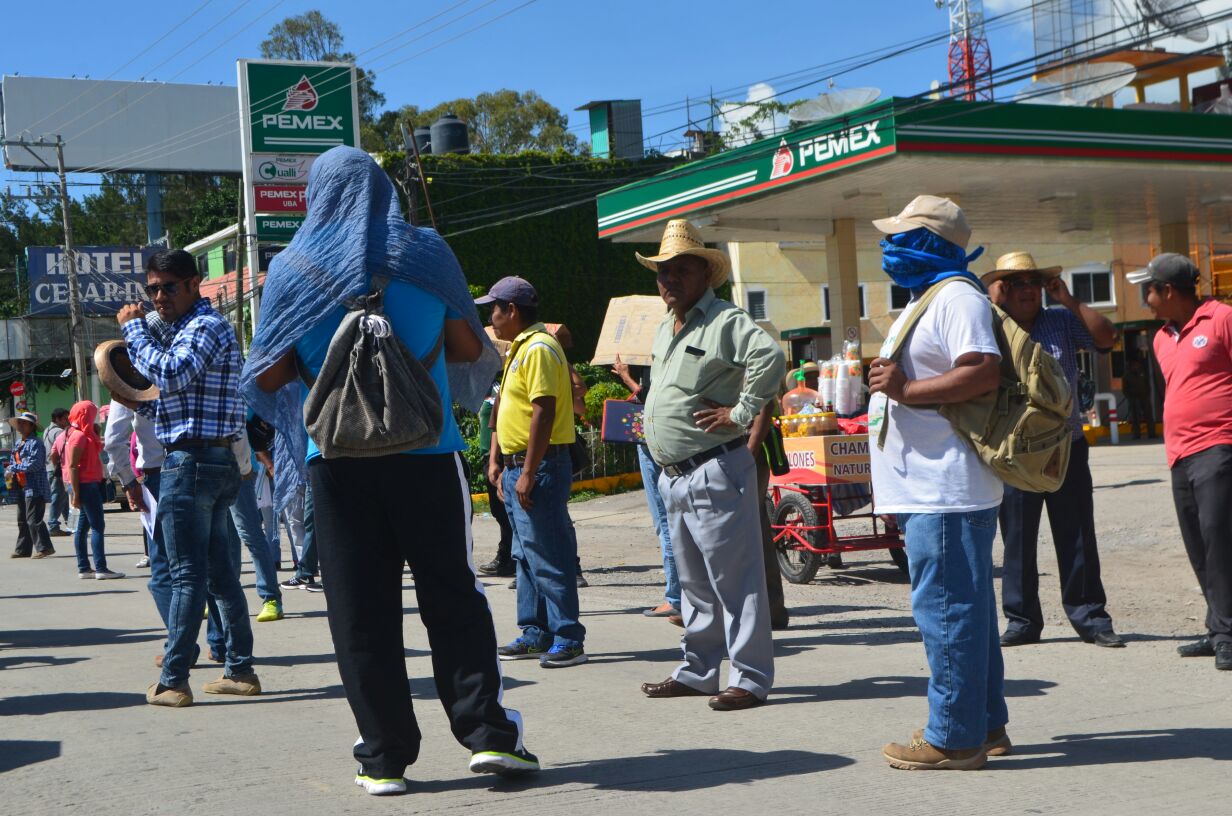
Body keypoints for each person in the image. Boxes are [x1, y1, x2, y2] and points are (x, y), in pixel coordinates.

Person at [243, 146, 536, 795]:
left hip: (338, 462)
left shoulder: (290, 268)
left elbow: (265, 374)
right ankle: (488, 738)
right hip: (427, 454)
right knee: (453, 594)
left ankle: (383, 755)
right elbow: (468, 348)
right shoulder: (425, 251)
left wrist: (319, 354)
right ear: (382, 190)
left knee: (359, 609)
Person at [866, 195, 1007, 770]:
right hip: (933, 487)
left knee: (947, 611)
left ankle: (952, 739)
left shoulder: (957, 297)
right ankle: (986, 725)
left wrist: (902, 392)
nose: (888, 248)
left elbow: (983, 370)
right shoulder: (932, 298)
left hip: (945, 489)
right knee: (967, 612)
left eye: (900, 237)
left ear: (929, 243)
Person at [634, 219, 785, 712]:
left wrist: (740, 413)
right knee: (695, 584)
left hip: (714, 468)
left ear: (705, 274)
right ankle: (699, 671)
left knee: (736, 582)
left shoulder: (724, 320)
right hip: (675, 475)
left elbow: (769, 356)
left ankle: (751, 678)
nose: (669, 280)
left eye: (680, 270)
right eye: (662, 272)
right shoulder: (665, 328)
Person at [117, 248, 257, 708]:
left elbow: (172, 374)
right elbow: (176, 397)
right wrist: (146, 405)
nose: (159, 296)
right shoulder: (190, 330)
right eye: (152, 288)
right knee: (220, 575)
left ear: (195, 284)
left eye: (168, 287)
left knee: (185, 576)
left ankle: (175, 679)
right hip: (212, 462)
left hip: (192, 465)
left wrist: (133, 328)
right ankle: (239, 670)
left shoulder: (204, 326)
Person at [983, 252, 1124, 649]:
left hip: (1067, 448)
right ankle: (1023, 621)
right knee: (1018, 540)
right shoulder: (990, 325)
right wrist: (989, 303)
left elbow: (1106, 338)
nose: (1026, 290)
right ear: (1002, 291)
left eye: (1033, 282)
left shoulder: (1061, 320)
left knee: (1077, 535)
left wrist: (1069, 299)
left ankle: (1090, 618)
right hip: (1015, 454)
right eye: (1015, 284)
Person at [1127, 253, 1232, 671]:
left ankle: (1227, 634)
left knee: (1219, 540)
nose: (1145, 299)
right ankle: (1217, 626)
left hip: (1219, 447)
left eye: (1147, 291)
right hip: (1179, 455)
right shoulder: (1160, 338)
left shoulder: (1221, 318)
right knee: (1198, 545)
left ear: (1168, 290)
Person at [481, 276, 587, 668]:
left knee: (549, 553)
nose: (491, 317)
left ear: (512, 311)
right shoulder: (518, 349)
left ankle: (568, 637)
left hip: (537, 465)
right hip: (516, 465)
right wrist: (496, 459)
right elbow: (501, 409)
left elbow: (543, 410)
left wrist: (526, 471)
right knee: (524, 554)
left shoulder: (540, 348)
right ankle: (535, 631)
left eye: (494, 308)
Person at [611, 355, 681, 622]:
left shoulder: (662, 353)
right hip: (661, 439)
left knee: (665, 522)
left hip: (656, 440)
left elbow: (654, 397)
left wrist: (627, 377)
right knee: (669, 522)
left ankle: (675, 597)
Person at [61, 401, 124, 580]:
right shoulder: (79, 436)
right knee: (97, 526)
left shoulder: (81, 433)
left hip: (88, 485)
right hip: (87, 486)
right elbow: (73, 466)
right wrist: (76, 494)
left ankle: (84, 568)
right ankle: (101, 568)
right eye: (91, 414)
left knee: (83, 528)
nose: (94, 417)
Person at [477, 380, 517, 578]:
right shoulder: (481, 388)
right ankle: (507, 556)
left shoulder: (499, 387)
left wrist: (496, 460)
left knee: (506, 511)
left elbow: (498, 425)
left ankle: (509, 558)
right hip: (490, 455)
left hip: (503, 454)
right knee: (499, 511)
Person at [7, 411, 56, 559]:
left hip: (35, 486)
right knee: (22, 519)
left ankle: (45, 547)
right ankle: (23, 549)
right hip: (22, 486)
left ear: (31, 426)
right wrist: (10, 468)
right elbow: (12, 462)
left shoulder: (36, 443)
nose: (20, 425)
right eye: (19, 423)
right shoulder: (18, 443)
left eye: (23, 423)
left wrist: (13, 468)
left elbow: (35, 464)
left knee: (33, 519)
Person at [43, 407, 71, 536]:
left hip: (50, 469)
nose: (68, 421)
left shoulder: (47, 431)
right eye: (65, 418)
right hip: (57, 469)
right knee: (58, 497)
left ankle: (70, 523)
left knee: (63, 497)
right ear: (58, 419)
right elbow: (63, 452)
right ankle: (53, 525)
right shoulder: (59, 432)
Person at [1122, 358, 1157, 440]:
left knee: (1149, 415)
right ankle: (1136, 434)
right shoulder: (1127, 375)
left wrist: (1148, 395)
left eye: (1137, 364)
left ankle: (1151, 433)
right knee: (1135, 417)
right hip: (1134, 399)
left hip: (1144, 397)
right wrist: (1130, 398)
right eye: (1134, 364)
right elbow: (1124, 389)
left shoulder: (1142, 372)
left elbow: (1147, 384)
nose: (1136, 366)